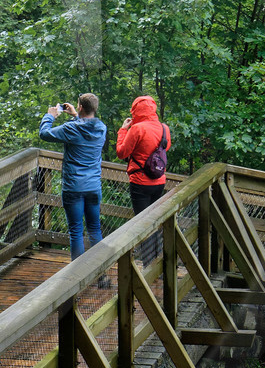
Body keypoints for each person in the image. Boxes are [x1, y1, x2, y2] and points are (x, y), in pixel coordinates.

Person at [39, 93, 107, 259]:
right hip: (93, 187)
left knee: (76, 231)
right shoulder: (101, 128)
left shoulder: (71, 129)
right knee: (95, 229)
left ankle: (78, 276)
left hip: (74, 187)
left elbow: (44, 133)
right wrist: (76, 116)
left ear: (81, 107)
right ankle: (100, 273)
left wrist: (50, 115)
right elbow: (86, 128)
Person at [116, 95, 171, 263]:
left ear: (135, 111)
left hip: (140, 182)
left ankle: (148, 265)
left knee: (143, 223)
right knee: (154, 221)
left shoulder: (137, 128)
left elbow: (121, 153)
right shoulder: (164, 128)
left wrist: (123, 130)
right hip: (159, 181)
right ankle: (158, 262)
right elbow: (165, 148)